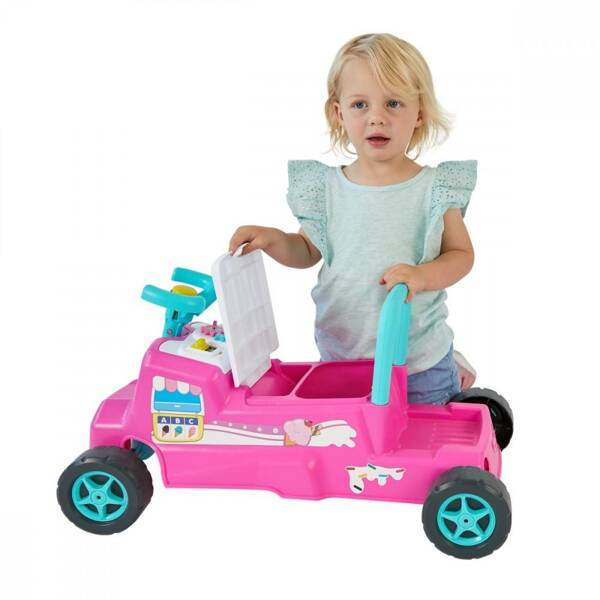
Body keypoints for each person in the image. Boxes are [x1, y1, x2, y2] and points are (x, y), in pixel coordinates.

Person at [228, 33, 478, 404]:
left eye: (393, 103)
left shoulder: (434, 189)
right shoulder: (326, 189)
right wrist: (274, 240)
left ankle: (451, 370)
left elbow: (461, 255)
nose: (377, 117)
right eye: (360, 104)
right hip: (343, 357)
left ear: (419, 112)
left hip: (417, 362)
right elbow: (307, 250)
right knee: (349, 436)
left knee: (423, 431)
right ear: (339, 113)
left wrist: (422, 276)